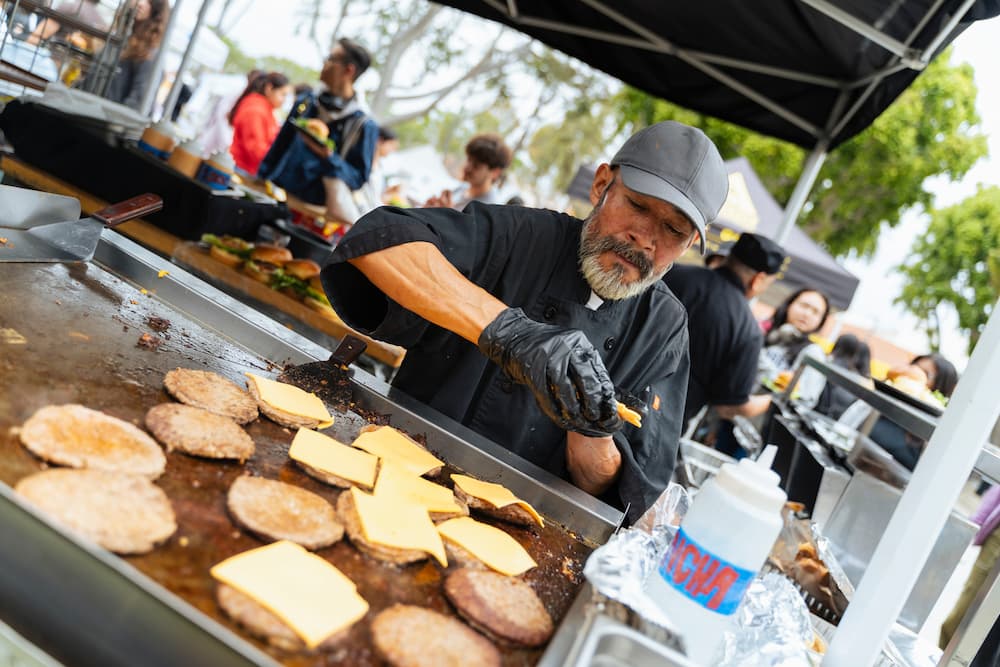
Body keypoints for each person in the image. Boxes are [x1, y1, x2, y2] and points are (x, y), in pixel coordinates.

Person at [320, 121, 730, 522]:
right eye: (637, 206)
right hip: (397, 470)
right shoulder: (522, 236)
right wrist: (508, 332)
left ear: (690, 244)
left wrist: (590, 425)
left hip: (525, 529)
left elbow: (617, 496)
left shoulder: (665, 330)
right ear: (602, 185)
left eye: (673, 229)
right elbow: (378, 239)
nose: (644, 238)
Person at [663, 232, 786, 426]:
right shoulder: (747, 330)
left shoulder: (670, 273)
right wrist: (772, 401)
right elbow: (729, 407)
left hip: (609, 393)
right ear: (758, 279)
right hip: (662, 425)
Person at [258, 37, 379, 224]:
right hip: (274, 195)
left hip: (313, 217)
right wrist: (259, 181)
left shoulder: (362, 124)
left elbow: (358, 178)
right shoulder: (307, 102)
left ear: (349, 70)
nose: (325, 64)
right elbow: (278, 148)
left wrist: (329, 157)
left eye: (331, 59)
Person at [861, 353, 958, 470]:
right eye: (914, 367)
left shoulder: (920, 444)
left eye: (926, 374)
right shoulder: (880, 404)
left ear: (940, 388)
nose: (913, 373)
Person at [939, 483, 1000, 665]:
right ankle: (944, 657)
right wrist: (977, 522)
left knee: (990, 635)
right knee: (961, 617)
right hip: (996, 543)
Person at [759, 287, 831, 407]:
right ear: (789, 304)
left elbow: (805, 400)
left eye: (815, 312)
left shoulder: (812, 352)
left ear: (821, 321)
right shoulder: (768, 331)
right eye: (804, 306)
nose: (807, 314)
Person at [104, 0, 170, 111]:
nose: (140, 3)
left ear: (156, 11)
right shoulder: (121, 38)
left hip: (103, 121)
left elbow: (137, 103)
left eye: (149, 2)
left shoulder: (150, 54)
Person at [424, 133, 512, 209]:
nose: (467, 167)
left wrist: (445, 215)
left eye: (476, 165)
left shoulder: (490, 209)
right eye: (469, 160)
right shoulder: (462, 188)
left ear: (495, 172)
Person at [227, 71, 291, 175]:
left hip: (246, 169)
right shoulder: (256, 109)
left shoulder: (265, 109)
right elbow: (255, 148)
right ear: (269, 88)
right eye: (283, 94)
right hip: (242, 169)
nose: (284, 100)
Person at [812, 333, 872, 419]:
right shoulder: (858, 378)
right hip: (835, 420)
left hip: (817, 411)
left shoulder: (826, 361)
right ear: (854, 351)